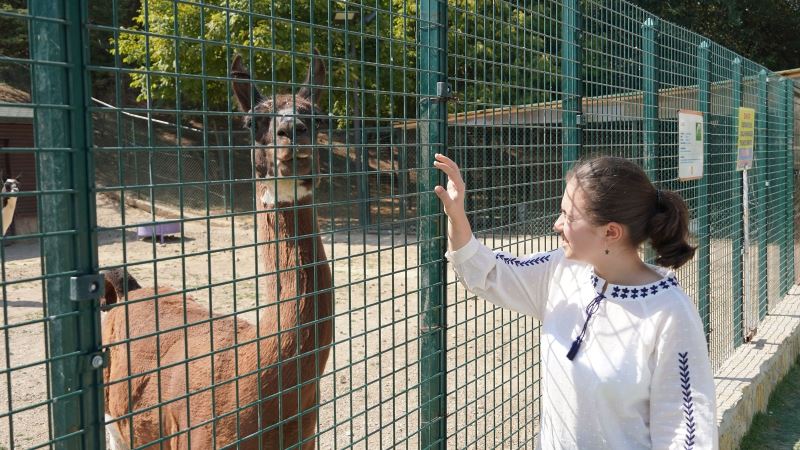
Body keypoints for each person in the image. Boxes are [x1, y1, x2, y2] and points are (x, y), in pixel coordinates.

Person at [433, 153, 717, 449]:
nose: (557, 224)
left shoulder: (669, 312)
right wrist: (457, 215)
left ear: (610, 232)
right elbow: (487, 273)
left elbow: (686, 429)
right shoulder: (560, 270)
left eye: (568, 216)